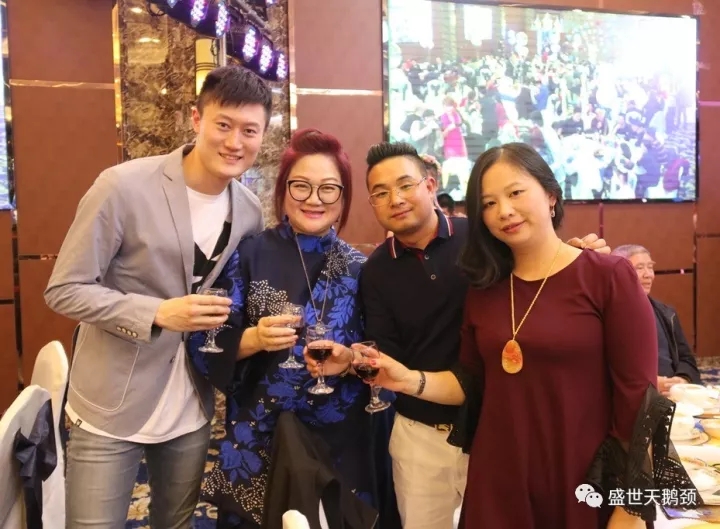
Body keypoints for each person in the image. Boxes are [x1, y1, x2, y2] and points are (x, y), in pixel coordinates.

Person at [347, 142, 697, 529]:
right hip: (500, 477)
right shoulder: (484, 289)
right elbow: (471, 380)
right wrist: (406, 379)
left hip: (583, 475)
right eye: (489, 203)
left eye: (515, 193)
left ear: (550, 195)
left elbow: (640, 402)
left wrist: (630, 508)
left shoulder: (608, 276)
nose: (504, 211)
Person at [309, 141, 610, 529]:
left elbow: (538, 275)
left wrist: (574, 254)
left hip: (493, 427)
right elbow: (385, 353)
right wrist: (353, 360)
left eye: (405, 185)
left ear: (430, 185)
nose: (395, 199)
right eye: (380, 193)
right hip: (419, 433)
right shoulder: (377, 270)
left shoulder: (484, 239)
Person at [44, 65, 271, 528]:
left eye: (249, 130)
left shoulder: (249, 211)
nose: (235, 142)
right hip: (110, 401)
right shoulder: (122, 186)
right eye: (223, 125)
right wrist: (158, 313)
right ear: (196, 119)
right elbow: (64, 289)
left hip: (191, 403)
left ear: (262, 136)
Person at [186, 129, 389, 528]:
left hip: (340, 439)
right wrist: (254, 338)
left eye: (328, 188)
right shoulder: (250, 254)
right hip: (261, 435)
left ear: (343, 198)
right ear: (283, 190)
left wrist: (350, 358)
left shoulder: (359, 267)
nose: (314, 199)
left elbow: (381, 355)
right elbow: (203, 342)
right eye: (301, 186)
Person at [611, 244, 701, 393]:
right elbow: (606, 368)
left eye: (650, 267)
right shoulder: (606, 316)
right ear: (617, 274)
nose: (648, 275)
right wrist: (650, 383)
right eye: (639, 268)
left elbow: (687, 359)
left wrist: (682, 379)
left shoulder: (666, 313)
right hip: (635, 396)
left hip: (673, 394)